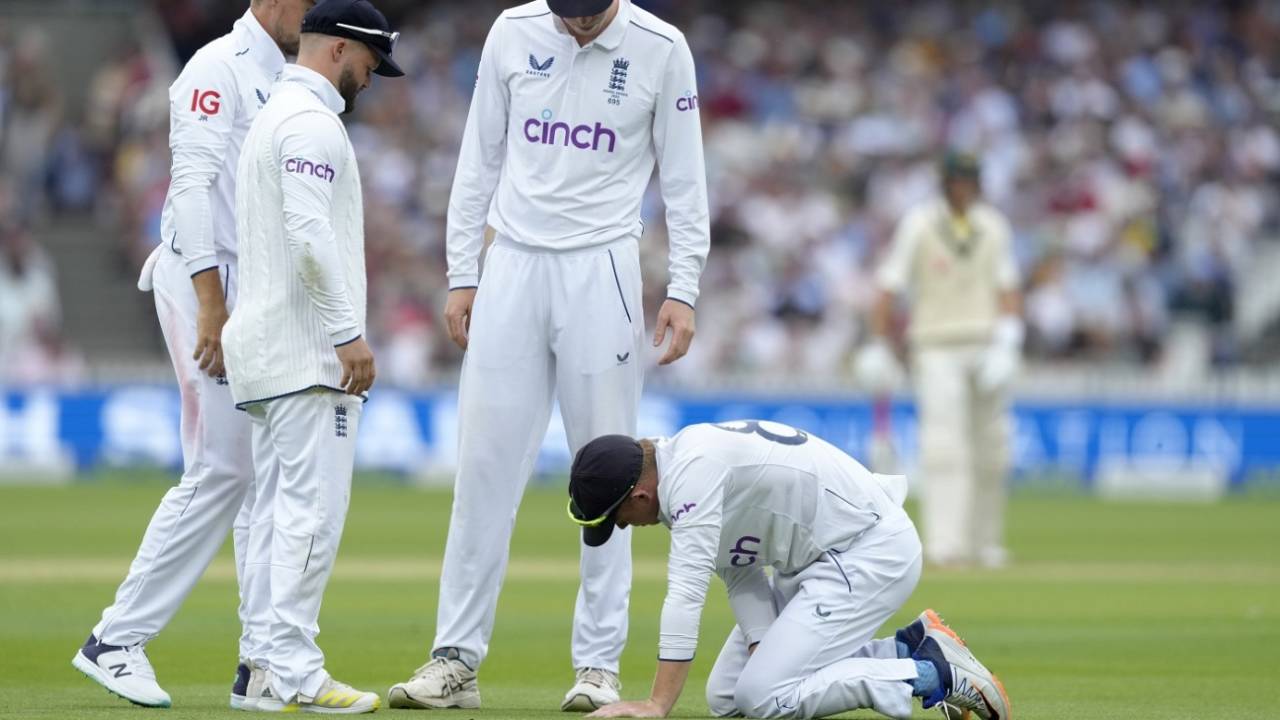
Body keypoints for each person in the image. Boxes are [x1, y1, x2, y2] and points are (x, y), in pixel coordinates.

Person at [388, 0, 709, 712]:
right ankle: (455, 661)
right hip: (513, 264)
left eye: (589, 15)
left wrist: (683, 288)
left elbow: (685, 181)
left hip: (602, 267)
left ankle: (598, 668)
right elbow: (479, 159)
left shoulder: (662, 47)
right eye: (567, 14)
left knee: (612, 473)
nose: (577, 26)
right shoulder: (514, 29)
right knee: (480, 470)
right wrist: (463, 272)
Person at [72, 0, 315, 709]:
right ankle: (114, 640)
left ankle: (260, 663)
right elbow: (190, 190)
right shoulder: (217, 67)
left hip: (259, 285)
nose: (314, 9)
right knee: (224, 465)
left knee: (259, 475)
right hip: (205, 279)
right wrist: (212, 303)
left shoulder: (293, 74)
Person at [564, 422, 1012, 720]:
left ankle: (933, 673)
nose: (624, 526)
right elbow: (739, 570)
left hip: (869, 552)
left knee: (762, 697)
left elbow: (685, 595)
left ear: (639, 496)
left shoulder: (690, 477)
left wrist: (656, 705)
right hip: (818, 561)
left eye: (618, 518)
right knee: (728, 697)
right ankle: (906, 648)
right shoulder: (681, 466)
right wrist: (761, 642)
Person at [220, 0, 403, 712]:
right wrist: (346, 333)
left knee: (270, 514)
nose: (371, 76)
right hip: (304, 354)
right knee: (310, 514)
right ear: (336, 50)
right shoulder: (309, 123)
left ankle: (261, 666)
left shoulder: (277, 113)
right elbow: (308, 233)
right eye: (368, 62)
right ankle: (293, 668)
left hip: (267, 348)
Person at [858, 151, 1023, 569]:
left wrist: (1007, 341)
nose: (964, 189)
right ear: (946, 184)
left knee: (992, 446)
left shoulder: (993, 225)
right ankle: (946, 543)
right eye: (957, 181)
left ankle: (985, 542)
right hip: (935, 346)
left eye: (970, 181)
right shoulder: (920, 224)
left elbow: (1008, 288)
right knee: (944, 445)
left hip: (985, 345)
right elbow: (888, 286)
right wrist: (879, 343)